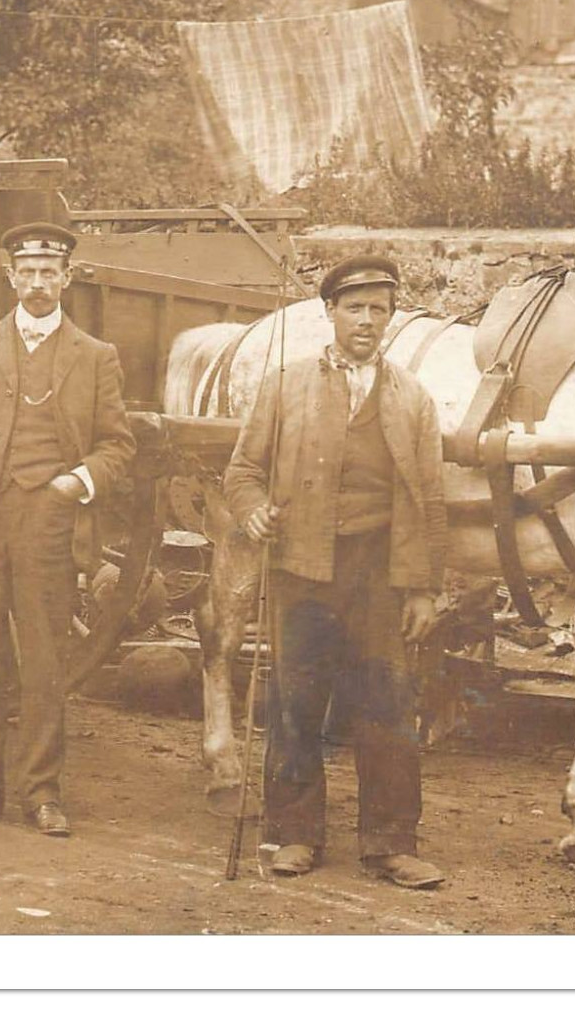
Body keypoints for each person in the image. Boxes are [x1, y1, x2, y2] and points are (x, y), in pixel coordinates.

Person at [223, 254, 448, 889]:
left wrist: (425, 587)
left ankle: (391, 844)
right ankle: (293, 834)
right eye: (355, 308)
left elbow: (430, 500)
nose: (367, 322)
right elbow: (241, 473)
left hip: (379, 571)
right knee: (296, 699)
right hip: (302, 567)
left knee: (386, 703)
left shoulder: (413, 399)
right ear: (330, 313)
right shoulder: (286, 385)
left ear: (391, 318)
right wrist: (253, 512)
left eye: (380, 310)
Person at [0, 221, 135, 837]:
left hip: (49, 526)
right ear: (9, 277)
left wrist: (77, 482)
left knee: (44, 664)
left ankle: (42, 794)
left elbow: (118, 446)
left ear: (67, 279)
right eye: (28, 272)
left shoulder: (95, 357)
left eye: (50, 273)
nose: (38, 284)